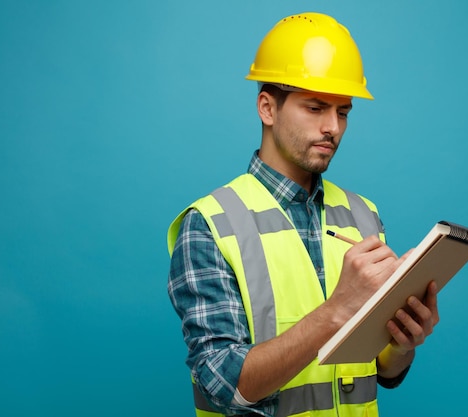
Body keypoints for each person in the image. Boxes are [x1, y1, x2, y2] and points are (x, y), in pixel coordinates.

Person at [167, 12, 439, 417]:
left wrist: (402, 344)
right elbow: (223, 383)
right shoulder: (209, 225)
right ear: (267, 108)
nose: (333, 127)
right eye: (315, 107)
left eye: (343, 112)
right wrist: (336, 311)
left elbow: (383, 371)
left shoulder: (364, 215)